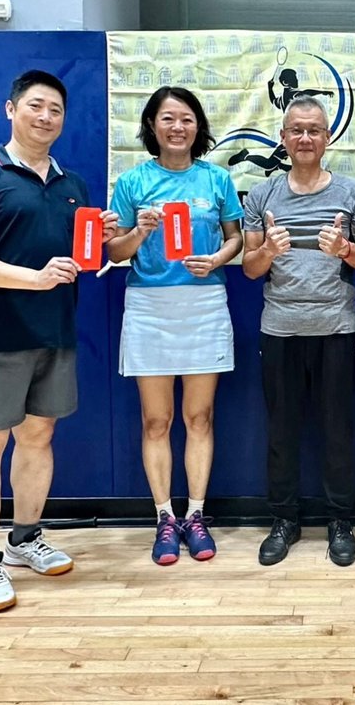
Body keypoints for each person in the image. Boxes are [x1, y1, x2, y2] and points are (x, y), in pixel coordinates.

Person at [0, 70, 118, 613]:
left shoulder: (72, 185)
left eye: (55, 110)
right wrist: (32, 278)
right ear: (10, 109)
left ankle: (25, 538)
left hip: (54, 333)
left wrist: (109, 238)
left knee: (38, 438)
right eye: (36, 106)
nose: (46, 117)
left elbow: (85, 259)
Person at [108, 86, 243, 565]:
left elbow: (236, 238)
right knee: (156, 420)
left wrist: (217, 259)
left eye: (186, 118)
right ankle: (165, 518)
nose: (177, 127)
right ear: (152, 125)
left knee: (199, 418)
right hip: (149, 307)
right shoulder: (133, 181)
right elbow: (114, 251)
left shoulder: (216, 179)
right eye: (167, 118)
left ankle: (196, 515)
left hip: (204, 305)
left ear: (198, 126)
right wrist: (140, 231)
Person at [241, 96, 355, 566]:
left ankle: (340, 520)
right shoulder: (262, 195)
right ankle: (284, 520)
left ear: (327, 137)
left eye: (314, 130)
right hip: (279, 329)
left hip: (336, 327)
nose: (305, 138)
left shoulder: (351, 192)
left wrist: (345, 249)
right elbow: (250, 268)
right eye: (296, 130)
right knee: (281, 431)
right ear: (283, 137)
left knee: (338, 430)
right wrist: (268, 252)